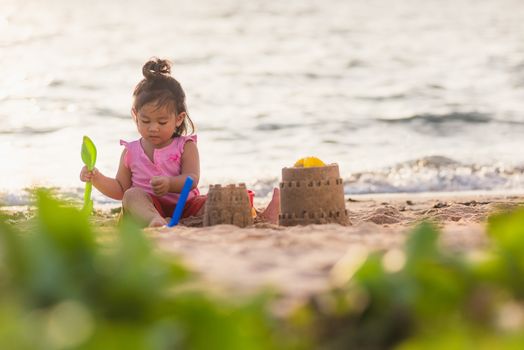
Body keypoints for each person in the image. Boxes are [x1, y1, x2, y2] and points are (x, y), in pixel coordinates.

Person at [80, 57, 279, 227]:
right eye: (145, 121)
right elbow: (120, 189)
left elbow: (192, 178)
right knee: (131, 196)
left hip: (186, 205)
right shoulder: (131, 151)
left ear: (179, 118)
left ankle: (261, 217)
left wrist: (170, 183)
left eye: (162, 121)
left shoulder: (186, 146)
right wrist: (97, 178)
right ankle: (155, 221)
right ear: (135, 116)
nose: (153, 128)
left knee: (221, 198)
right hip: (149, 207)